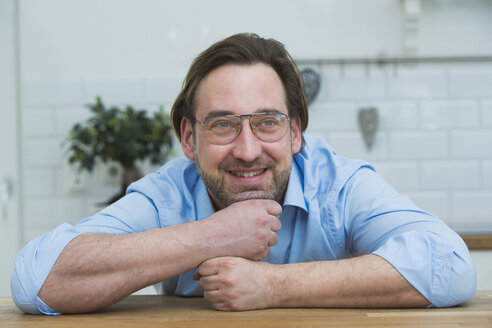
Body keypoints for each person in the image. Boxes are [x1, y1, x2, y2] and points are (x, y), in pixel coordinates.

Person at [11, 33, 476, 315]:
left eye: (267, 122)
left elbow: (450, 266)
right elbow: (35, 280)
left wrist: (275, 287)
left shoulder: (341, 183)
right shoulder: (168, 195)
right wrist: (210, 237)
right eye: (223, 125)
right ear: (188, 139)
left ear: (296, 132)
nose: (248, 150)